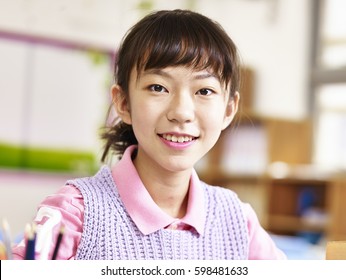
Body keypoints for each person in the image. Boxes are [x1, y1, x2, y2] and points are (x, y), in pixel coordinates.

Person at [12, 9, 286, 260]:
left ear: (229, 110)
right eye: (158, 87)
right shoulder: (75, 212)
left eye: (204, 91)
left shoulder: (238, 222)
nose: (181, 112)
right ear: (123, 103)